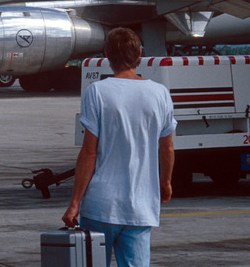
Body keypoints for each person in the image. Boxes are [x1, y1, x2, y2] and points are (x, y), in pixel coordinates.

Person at [62, 27, 176, 267]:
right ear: (139, 55)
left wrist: (75, 203)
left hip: (101, 205)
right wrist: (165, 183)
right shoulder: (160, 94)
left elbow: (89, 152)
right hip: (141, 207)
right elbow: (166, 149)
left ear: (107, 56)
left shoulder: (97, 92)